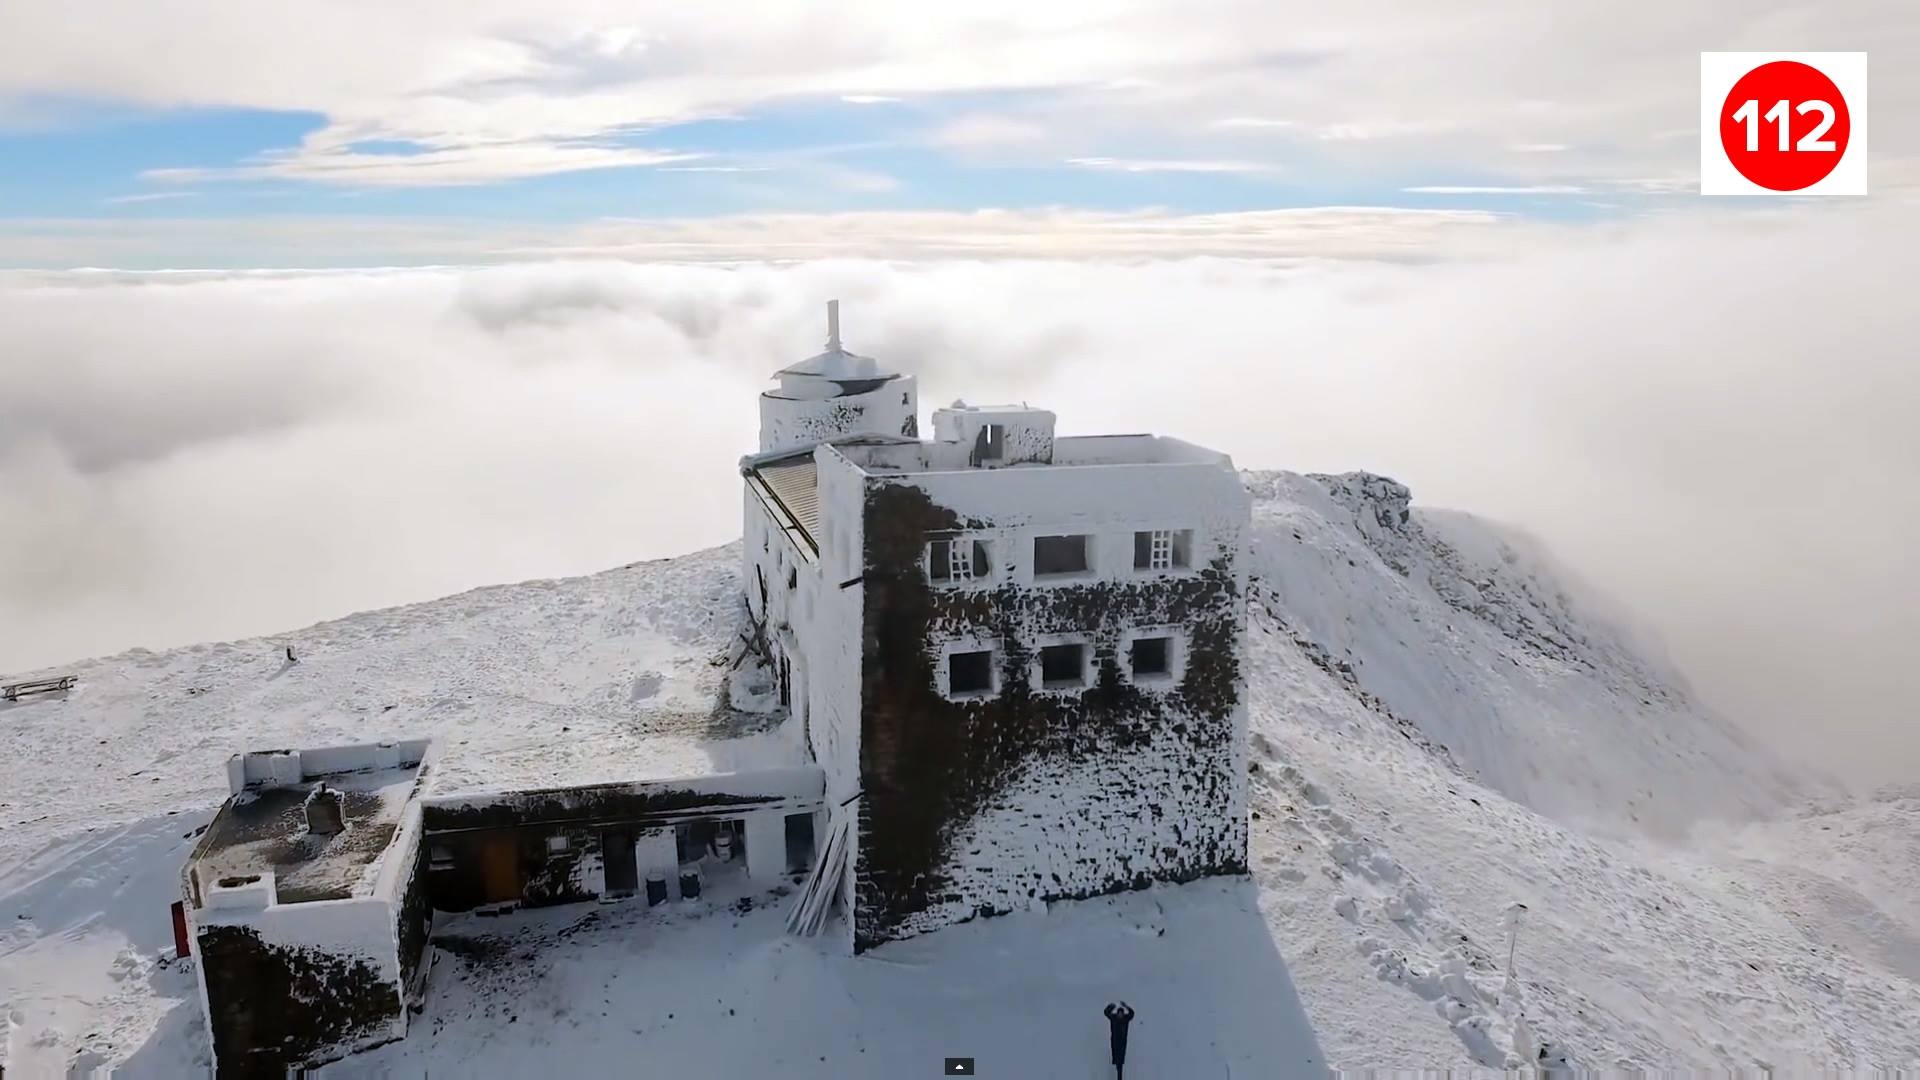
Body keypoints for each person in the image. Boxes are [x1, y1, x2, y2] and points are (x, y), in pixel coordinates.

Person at [1103, 1001, 1135, 1078]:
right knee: (1117, 1060)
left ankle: (1119, 1076)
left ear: (1123, 1014)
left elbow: (1132, 1014)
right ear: (1117, 1013)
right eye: (1119, 1013)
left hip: (1122, 1042)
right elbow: (1106, 1012)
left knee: (1120, 1061)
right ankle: (1118, 1073)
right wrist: (1111, 1006)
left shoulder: (1125, 1019)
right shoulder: (1114, 1018)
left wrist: (1126, 1006)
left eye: (1121, 1013)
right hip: (1114, 1041)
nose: (1120, 1015)